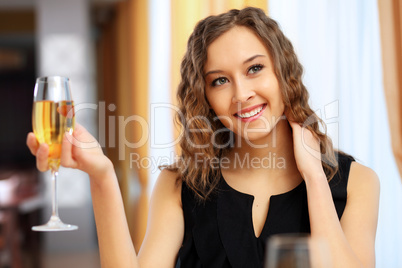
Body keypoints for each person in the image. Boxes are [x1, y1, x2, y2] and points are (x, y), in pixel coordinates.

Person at [27, 7, 379, 268]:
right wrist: (101, 176)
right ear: (206, 97)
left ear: (283, 74)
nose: (241, 94)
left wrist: (316, 179)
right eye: (220, 81)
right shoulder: (180, 184)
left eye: (254, 68)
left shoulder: (357, 183)